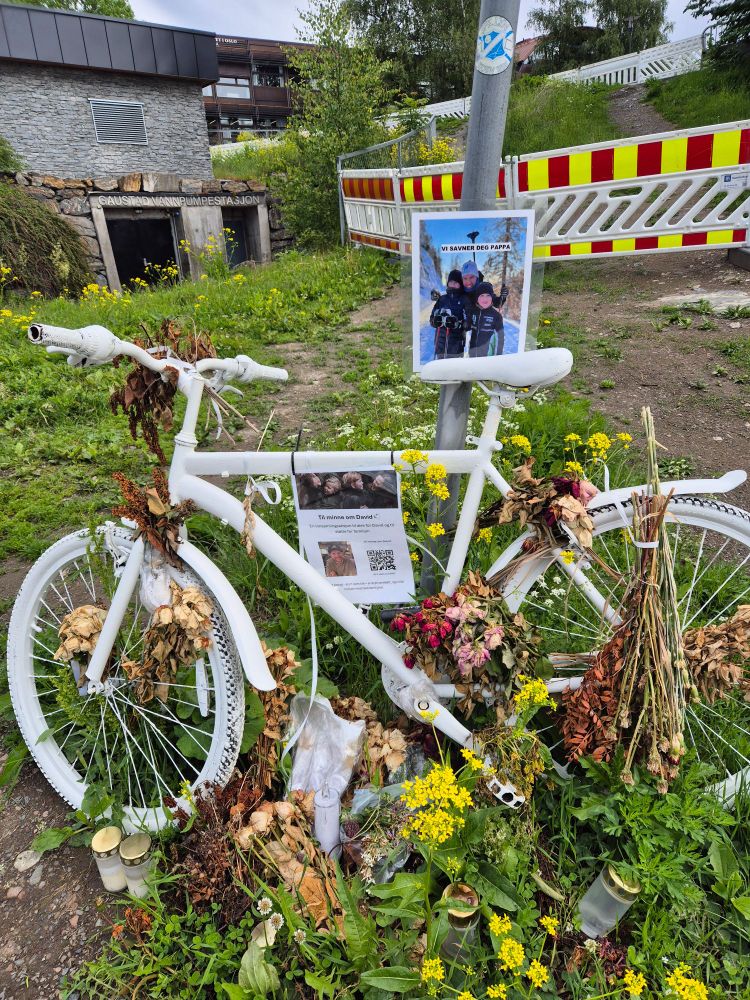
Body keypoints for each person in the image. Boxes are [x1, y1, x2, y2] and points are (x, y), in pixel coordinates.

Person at [429, 268, 468, 359]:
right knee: (440, 363)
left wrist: (458, 323)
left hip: (456, 342)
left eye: (456, 282)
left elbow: (468, 321)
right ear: (448, 283)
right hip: (440, 340)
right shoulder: (442, 299)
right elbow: (432, 317)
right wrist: (434, 321)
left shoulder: (464, 299)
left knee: (453, 365)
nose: (453, 284)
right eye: (451, 282)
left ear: (460, 284)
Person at [468, 281, 504, 357]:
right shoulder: (473, 312)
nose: (485, 299)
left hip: (487, 356)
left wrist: (499, 355)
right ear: (477, 298)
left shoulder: (496, 315)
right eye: (481, 295)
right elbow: (467, 327)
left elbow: (500, 337)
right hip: (472, 354)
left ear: (492, 297)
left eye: (488, 295)